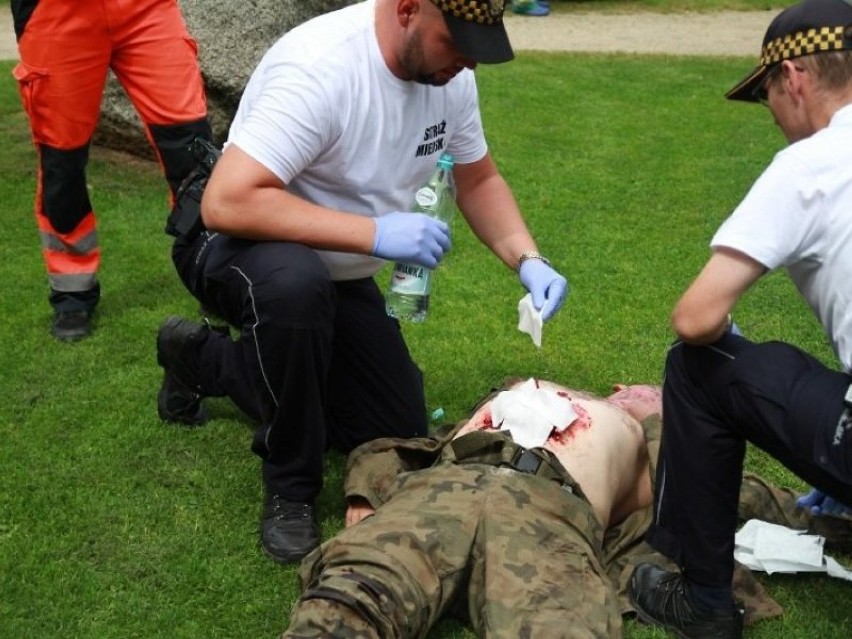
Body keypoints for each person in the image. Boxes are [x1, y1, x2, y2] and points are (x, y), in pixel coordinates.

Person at [156, 0, 568, 564]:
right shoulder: (322, 67)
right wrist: (374, 232)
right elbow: (229, 202)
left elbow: (478, 178)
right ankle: (290, 488)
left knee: (392, 428)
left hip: (334, 264)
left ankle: (202, 360)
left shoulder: (451, 78)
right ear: (407, 9)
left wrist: (528, 260)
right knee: (294, 289)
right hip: (234, 244)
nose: (469, 63)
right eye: (457, 43)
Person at [279, 378, 852, 638]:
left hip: (550, 514)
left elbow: (732, 491)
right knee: (347, 603)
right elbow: (390, 452)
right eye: (638, 391)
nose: (636, 390)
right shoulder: (527, 389)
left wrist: (823, 522)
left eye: (650, 393)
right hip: (445, 492)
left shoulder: (648, 434)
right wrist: (365, 495)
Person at [627, 1, 852, 637]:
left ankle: (702, 599)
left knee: (699, 366)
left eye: (766, 97)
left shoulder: (810, 164)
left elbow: (695, 318)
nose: (773, 115)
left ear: (795, 77)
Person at [12, 0, 212, 341]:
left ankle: (213, 271)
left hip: (146, 9)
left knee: (192, 149)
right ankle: (72, 292)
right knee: (62, 162)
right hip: (55, 14)